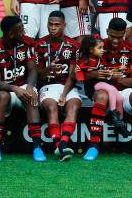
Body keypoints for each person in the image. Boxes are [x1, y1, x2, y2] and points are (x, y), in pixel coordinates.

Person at [0, 16, 45, 162]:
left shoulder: (27, 43)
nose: (24, 33)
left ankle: (37, 147)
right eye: (21, 30)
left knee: (31, 96)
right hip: (4, 88)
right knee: (3, 97)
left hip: (23, 85)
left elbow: (32, 71)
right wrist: (15, 89)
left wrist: (30, 87)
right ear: (11, 34)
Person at [101, 17, 132, 161]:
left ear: (124, 34)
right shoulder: (98, 47)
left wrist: (116, 78)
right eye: (112, 36)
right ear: (106, 31)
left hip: (123, 90)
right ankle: (94, 146)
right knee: (101, 96)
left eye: (119, 37)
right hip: (103, 92)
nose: (116, 41)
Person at [35, 11, 81, 161]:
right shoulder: (39, 45)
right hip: (47, 86)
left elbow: (73, 75)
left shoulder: (74, 46)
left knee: (73, 106)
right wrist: (47, 70)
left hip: (67, 86)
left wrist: (63, 94)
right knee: (51, 107)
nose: (53, 28)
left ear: (64, 26)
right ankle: (59, 146)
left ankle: (62, 144)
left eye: (57, 25)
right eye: (50, 24)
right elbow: (35, 75)